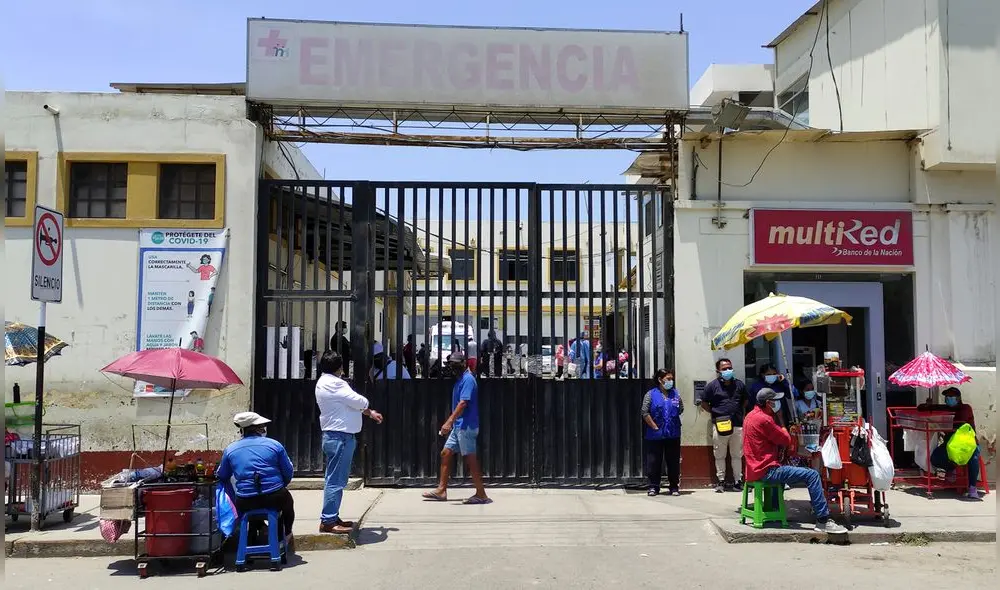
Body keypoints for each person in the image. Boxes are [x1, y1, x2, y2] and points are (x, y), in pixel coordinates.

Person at [743, 388, 848, 534]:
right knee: (812, 475)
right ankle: (823, 520)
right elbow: (785, 439)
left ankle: (774, 511)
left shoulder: (750, 416)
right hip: (766, 470)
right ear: (768, 403)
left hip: (754, 469)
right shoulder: (765, 419)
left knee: (787, 469)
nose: (777, 403)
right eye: (775, 401)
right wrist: (781, 422)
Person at [315, 350, 384, 534]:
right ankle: (328, 520)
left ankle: (332, 515)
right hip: (340, 437)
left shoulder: (324, 382)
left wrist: (370, 413)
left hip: (336, 436)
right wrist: (367, 407)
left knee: (335, 478)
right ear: (339, 367)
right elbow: (360, 401)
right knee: (336, 480)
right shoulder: (336, 384)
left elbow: (352, 405)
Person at [216, 412, 297, 550]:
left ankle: (259, 529)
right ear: (259, 429)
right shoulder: (275, 445)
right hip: (275, 496)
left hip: (245, 501)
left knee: (248, 506)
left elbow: (222, 475)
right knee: (287, 504)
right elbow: (288, 472)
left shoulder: (230, 450)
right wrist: (278, 485)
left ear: (242, 430)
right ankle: (287, 533)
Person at [422, 353, 490, 504]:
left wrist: (449, 422)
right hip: (460, 426)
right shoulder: (461, 379)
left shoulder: (468, 379)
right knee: (446, 453)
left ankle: (481, 494)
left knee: (470, 459)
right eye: (451, 364)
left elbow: (463, 403)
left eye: (455, 364)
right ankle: (441, 491)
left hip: (466, 426)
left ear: (464, 363)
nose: (453, 367)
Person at [918, 387, 982, 499]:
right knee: (935, 458)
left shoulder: (965, 408)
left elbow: (959, 421)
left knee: (974, 459)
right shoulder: (946, 409)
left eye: (951, 397)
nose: (948, 399)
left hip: (967, 444)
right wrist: (928, 405)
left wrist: (944, 420)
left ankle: (972, 488)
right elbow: (921, 408)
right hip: (950, 445)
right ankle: (951, 468)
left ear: (958, 398)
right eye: (946, 397)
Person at [698, 358, 748, 493]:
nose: (727, 370)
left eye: (729, 368)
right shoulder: (712, 386)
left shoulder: (739, 385)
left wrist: (739, 413)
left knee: (737, 454)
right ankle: (721, 481)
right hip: (720, 425)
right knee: (719, 455)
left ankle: (738, 481)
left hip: (737, 425)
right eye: (724, 368)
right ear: (718, 371)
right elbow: (704, 403)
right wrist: (715, 413)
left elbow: (745, 401)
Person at [642, 369, 684, 496]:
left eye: (672, 379)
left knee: (673, 461)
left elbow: (681, 409)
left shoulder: (675, 394)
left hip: (673, 433)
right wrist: (654, 426)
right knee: (654, 461)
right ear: (660, 380)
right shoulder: (651, 394)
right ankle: (653, 486)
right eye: (668, 379)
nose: (671, 381)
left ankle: (674, 486)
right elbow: (645, 412)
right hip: (655, 434)